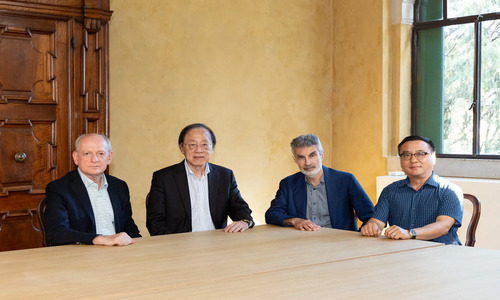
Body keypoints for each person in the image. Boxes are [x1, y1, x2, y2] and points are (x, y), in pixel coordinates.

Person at [146, 123, 254, 235]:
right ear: (182, 148)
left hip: (217, 243)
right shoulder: (164, 178)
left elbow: (239, 207)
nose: (199, 150)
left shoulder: (225, 176)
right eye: (192, 144)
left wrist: (245, 221)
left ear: (213, 148)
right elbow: (155, 222)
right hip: (178, 246)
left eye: (205, 144)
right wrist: (175, 246)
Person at [361, 135, 463, 245]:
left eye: (420, 154)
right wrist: (372, 226)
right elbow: (377, 221)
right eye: (406, 155)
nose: (413, 160)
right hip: (401, 252)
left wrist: (410, 233)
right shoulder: (390, 191)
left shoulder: (449, 191)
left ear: (433, 157)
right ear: (400, 160)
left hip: (442, 253)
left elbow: (443, 226)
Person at [44, 133, 141, 246]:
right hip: (81, 255)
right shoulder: (59, 189)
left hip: (119, 253)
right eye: (87, 153)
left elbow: (128, 226)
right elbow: (57, 233)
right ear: (76, 157)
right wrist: (99, 239)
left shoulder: (119, 186)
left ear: (109, 157)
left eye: (100, 153)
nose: (94, 159)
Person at [265, 134, 374, 231]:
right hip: (301, 244)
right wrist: (295, 221)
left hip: (339, 245)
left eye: (312, 155)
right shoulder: (288, 184)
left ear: (321, 155)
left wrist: (358, 238)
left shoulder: (346, 180)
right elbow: (271, 215)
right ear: (295, 160)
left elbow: (371, 216)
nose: (307, 163)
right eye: (301, 157)